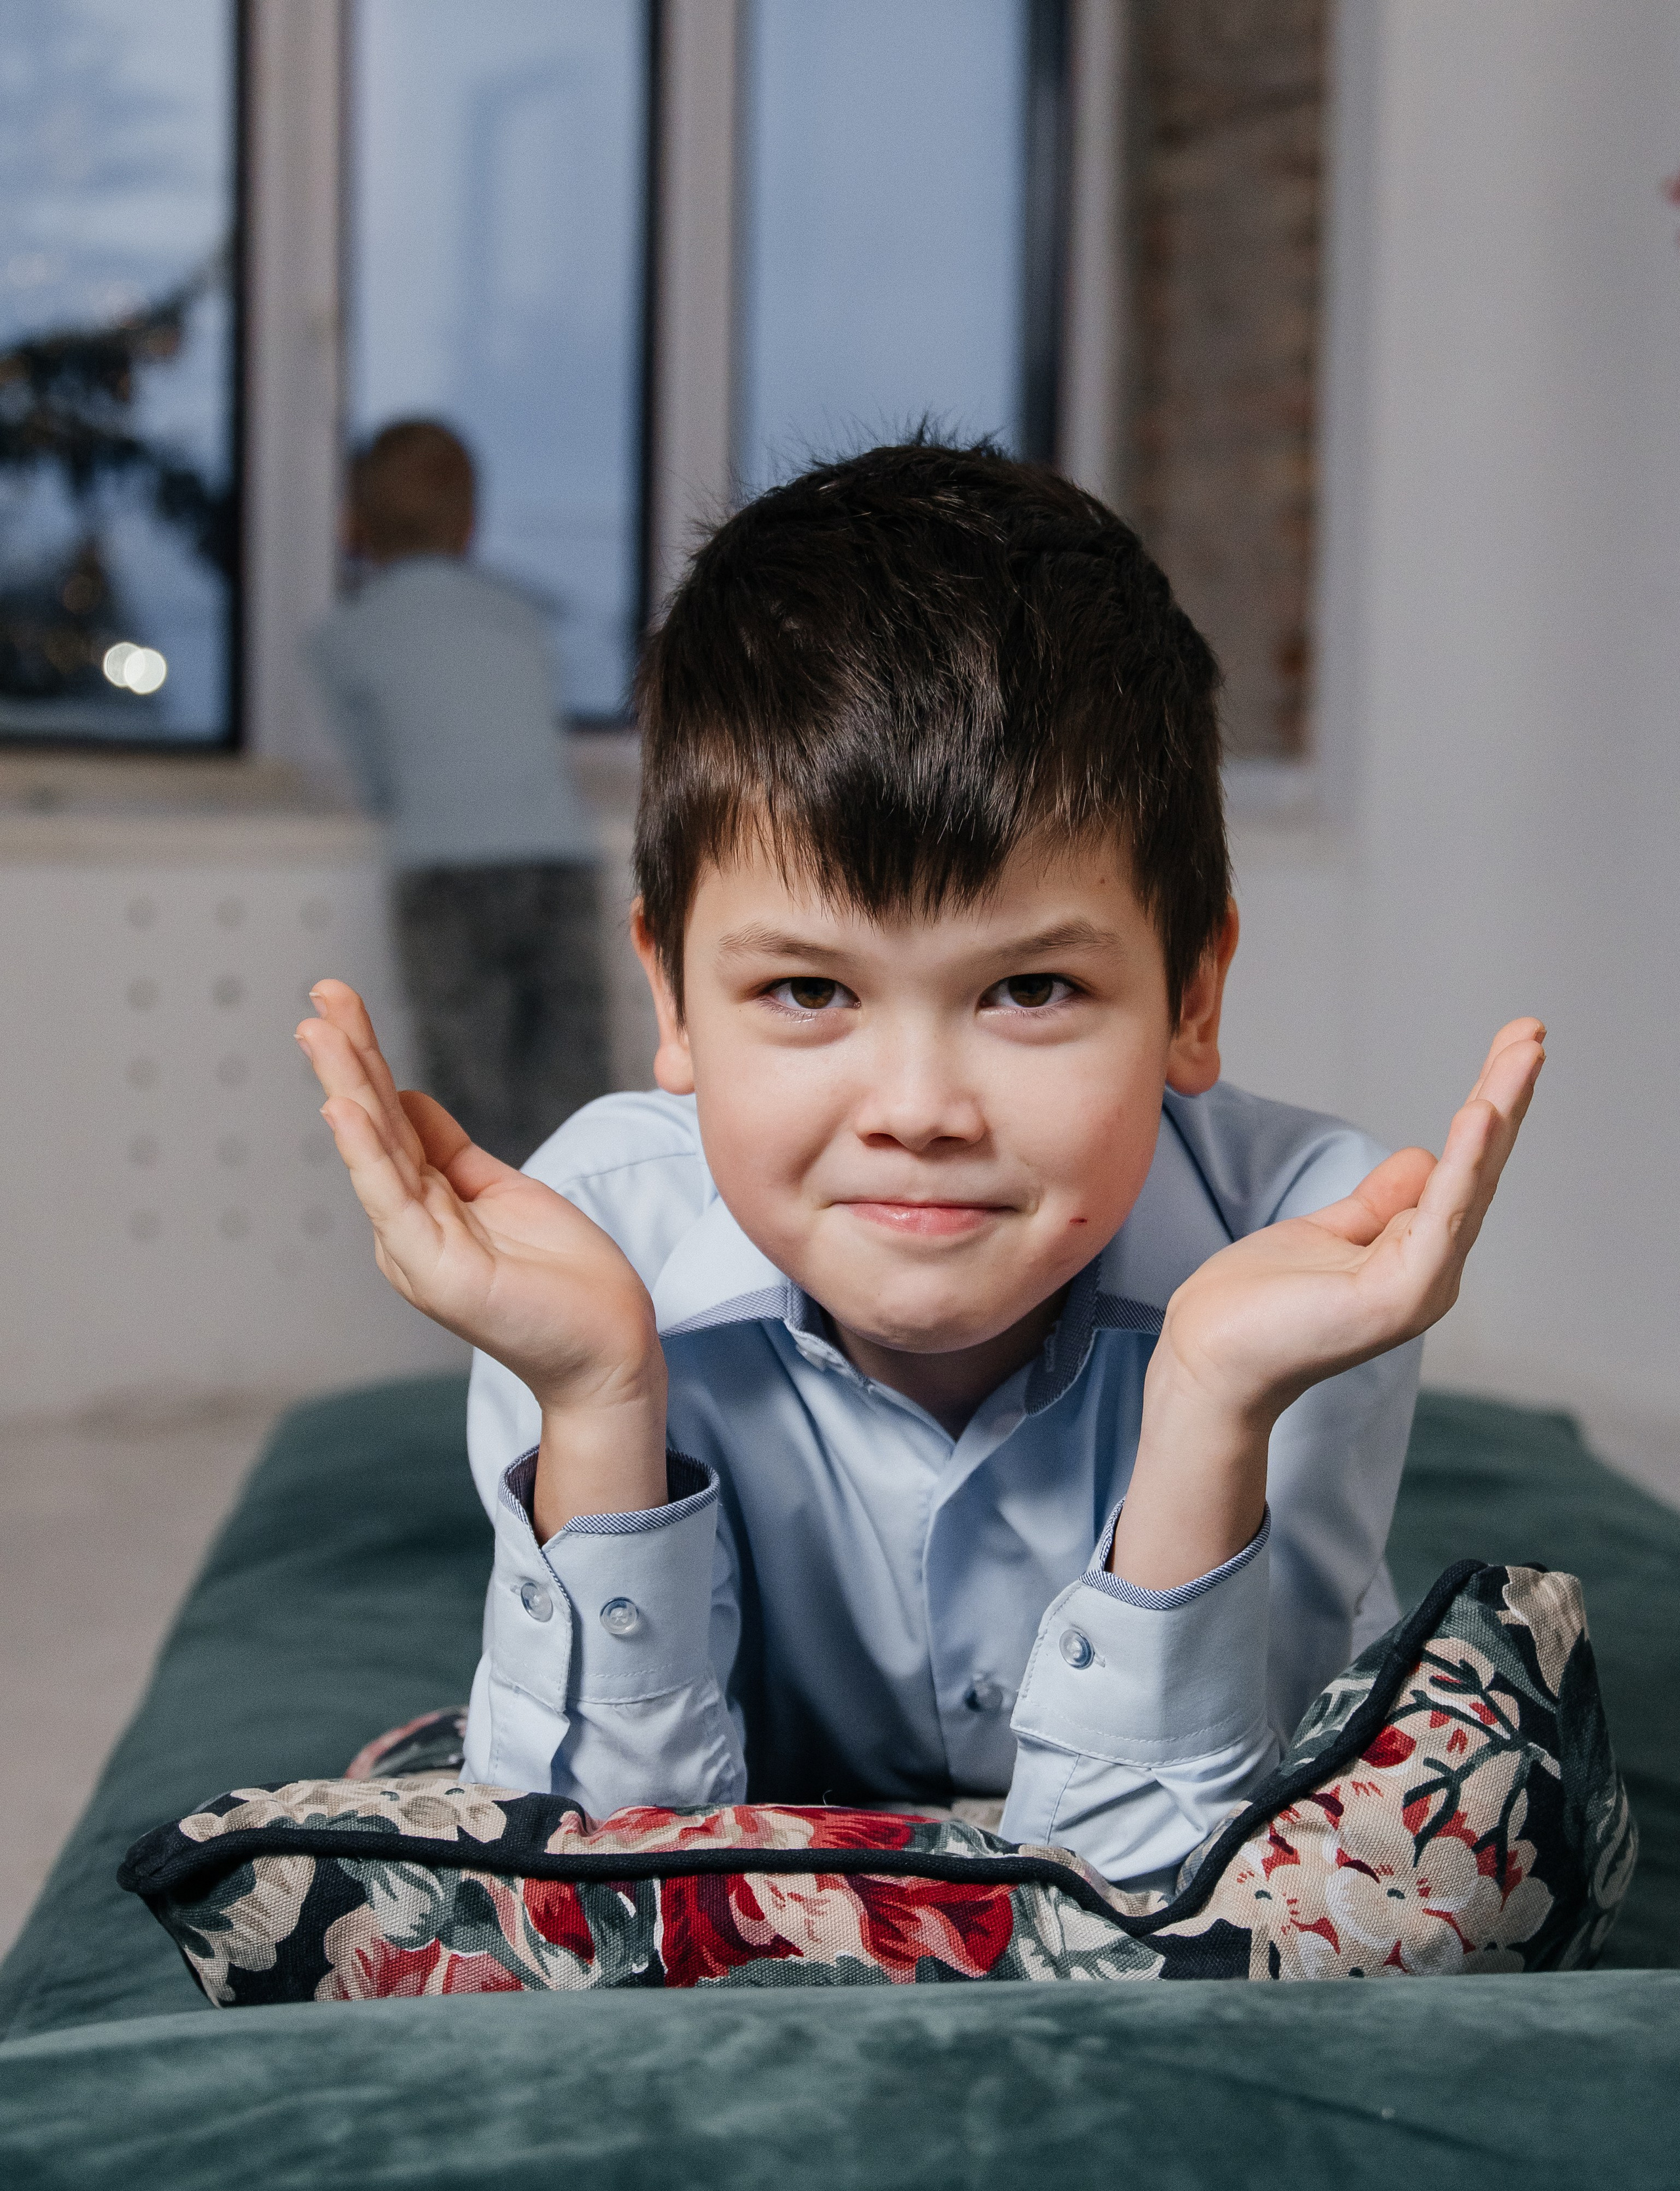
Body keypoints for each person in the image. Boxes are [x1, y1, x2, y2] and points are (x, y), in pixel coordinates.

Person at [295, 442, 1544, 1889]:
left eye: (1026, 990)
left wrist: (1206, 1410)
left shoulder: (1294, 1262)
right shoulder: (589, 1251)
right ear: (673, 998)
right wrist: (596, 1397)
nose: (916, 1110)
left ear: (1191, 999)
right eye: (809, 993)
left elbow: (1199, 1895)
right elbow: (583, 1889)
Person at [308, 418, 608, 1166]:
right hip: (556, 860)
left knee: (468, 1102)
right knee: (576, 1092)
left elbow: (380, 785)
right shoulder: (522, 618)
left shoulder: (343, 638)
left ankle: (497, 1260)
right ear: (471, 524)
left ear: (354, 527)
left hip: (444, 872)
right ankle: (595, 1251)